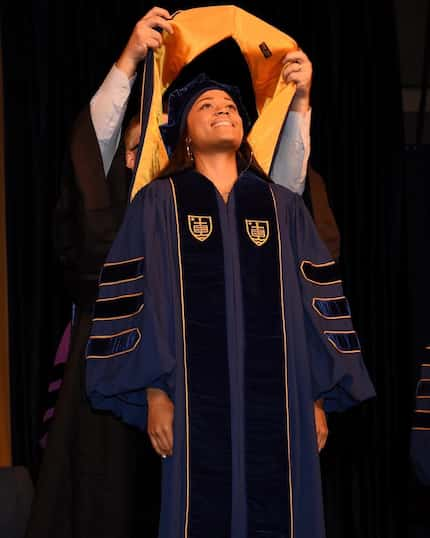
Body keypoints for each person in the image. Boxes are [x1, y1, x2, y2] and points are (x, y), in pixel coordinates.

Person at [27, 7, 315, 538]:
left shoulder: (226, 204)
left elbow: (286, 205)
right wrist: (132, 58)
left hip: (224, 395)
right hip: (115, 396)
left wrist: (298, 104)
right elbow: (93, 146)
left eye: (153, 148)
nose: (144, 159)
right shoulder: (120, 215)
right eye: (134, 150)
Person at [85, 73, 376, 538]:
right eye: (207, 106)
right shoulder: (160, 203)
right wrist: (155, 394)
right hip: (191, 407)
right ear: (184, 135)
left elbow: (314, 305)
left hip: (284, 409)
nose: (223, 109)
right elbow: (142, 301)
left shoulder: (282, 207)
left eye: (230, 105)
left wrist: (317, 396)